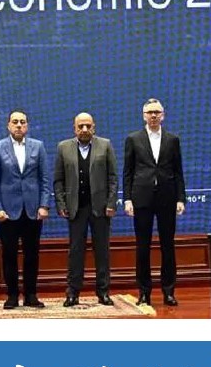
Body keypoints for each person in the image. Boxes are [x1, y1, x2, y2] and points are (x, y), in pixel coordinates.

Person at [0, 110, 53, 309]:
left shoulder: (38, 146)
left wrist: (44, 205)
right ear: (8, 125)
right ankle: (12, 295)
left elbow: (45, 179)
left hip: (33, 210)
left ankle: (31, 295)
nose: (19, 125)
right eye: (15, 122)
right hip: (7, 212)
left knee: (32, 255)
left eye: (22, 122)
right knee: (9, 256)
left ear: (27, 126)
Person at [123, 98, 187, 306]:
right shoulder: (133, 139)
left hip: (167, 198)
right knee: (143, 247)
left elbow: (178, 171)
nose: (153, 115)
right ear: (144, 116)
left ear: (163, 115)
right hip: (141, 199)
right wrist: (127, 199)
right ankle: (144, 292)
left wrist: (180, 198)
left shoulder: (172, 139)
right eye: (150, 112)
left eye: (157, 112)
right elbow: (128, 172)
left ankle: (169, 291)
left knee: (168, 246)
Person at [53, 112, 118, 307]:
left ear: (93, 127)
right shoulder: (63, 147)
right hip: (76, 209)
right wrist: (61, 204)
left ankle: (103, 292)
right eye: (80, 126)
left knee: (102, 251)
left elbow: (113, 178)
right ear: (74, 128)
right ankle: (73, 293)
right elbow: (58, 180)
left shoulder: (105, 145)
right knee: (75, 252)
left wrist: (111, 203)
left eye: (88, 126)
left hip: (100, 208)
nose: (84, 129)